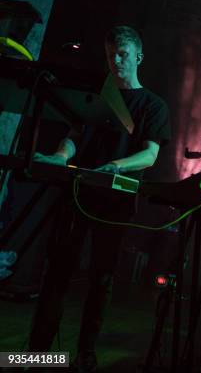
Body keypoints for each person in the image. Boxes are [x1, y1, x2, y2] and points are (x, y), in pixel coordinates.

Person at [28, 26, 171, 372]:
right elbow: (74, 134)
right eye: (110, 55)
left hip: (115, 203)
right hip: (78, 192)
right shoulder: (98, 96)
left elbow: (150, 155)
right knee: (57, 275)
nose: (115, 60)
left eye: (122, 54)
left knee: (101, 279)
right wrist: (60, 157)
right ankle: (37, 358)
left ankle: (84, 357)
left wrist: (115, 166)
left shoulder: (153, 105)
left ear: (138, 56)